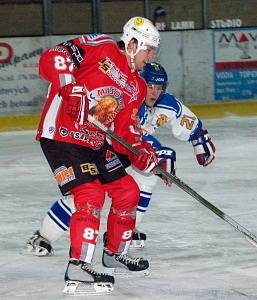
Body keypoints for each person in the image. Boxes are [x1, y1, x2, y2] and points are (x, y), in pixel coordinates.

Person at [27, 62, 216, 257]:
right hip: (104, 150)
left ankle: (126, 230)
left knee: (144, 180)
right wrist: (156, 152)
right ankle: (43, 237)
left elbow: (183, 117)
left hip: (133, 154)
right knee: (85, 196)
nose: (154, 93)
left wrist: (200, 138)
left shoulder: (165, 103)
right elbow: (112, 131)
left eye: (159, 88)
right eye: (150, 86)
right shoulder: (123, 96)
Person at [35, 17, 163, 295]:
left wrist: (140, 151)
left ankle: (114, 253)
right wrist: (69, 87)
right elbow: (53, 56)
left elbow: (125, 131)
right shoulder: (101, 47)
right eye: (148, 49)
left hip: (95, 142)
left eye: (154, 51)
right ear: (132, 43)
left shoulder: (137, 86)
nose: (151, 57)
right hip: (62, 135)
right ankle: (78, 264)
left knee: (128, 191)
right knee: (90, 194)